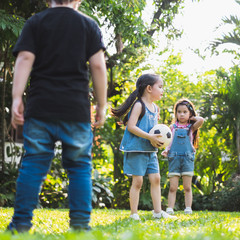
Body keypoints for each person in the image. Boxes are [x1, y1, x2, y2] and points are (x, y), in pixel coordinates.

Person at [8, 0, 107, 233]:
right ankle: (81, 226)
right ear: (78, 0)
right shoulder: (88, 25)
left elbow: (24, 59)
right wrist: (101, 105)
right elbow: (98, 67)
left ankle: (21, 223)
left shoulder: (36, 22)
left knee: (33, 164)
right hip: (76, 110)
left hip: (41, 108)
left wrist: (16, 97)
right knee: (80, 166)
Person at [112, 74, 176, 220]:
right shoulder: (139, 105)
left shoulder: (155, 108)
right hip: (136, 149)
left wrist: (158, 140)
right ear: (149, 88)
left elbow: (155, 130)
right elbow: (131, 126)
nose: (162, 90)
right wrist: (150, 137)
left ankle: (158, 212)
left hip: (150, 150)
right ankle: (133, 214)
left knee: (156, 179)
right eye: (160, 87)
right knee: (138, 181)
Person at [162, 99, 204, 215]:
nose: (181, 114)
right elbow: (168, 141)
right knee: (173, 187)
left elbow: (201, 120)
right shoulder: (172, 127)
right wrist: (166, 151)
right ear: (175, 113)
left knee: (187, 186)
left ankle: (188, 208)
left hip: (187, 158)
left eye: (185, 112)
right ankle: (170, 208)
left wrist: (191, 117)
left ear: (189, 113)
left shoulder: (191, 127)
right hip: (174, 158)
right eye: (179, 112)